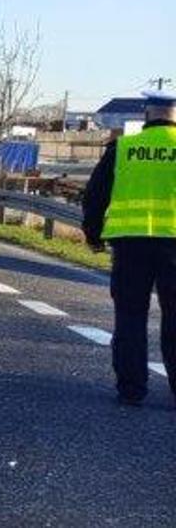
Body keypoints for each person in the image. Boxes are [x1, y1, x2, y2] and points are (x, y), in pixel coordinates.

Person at [81, 91, 176, 407]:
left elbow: (95, 195)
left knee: (130, 316)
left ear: (146, 114)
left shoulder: (122, 148)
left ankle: (132, 388)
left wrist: (93, 235)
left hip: (131, 245)